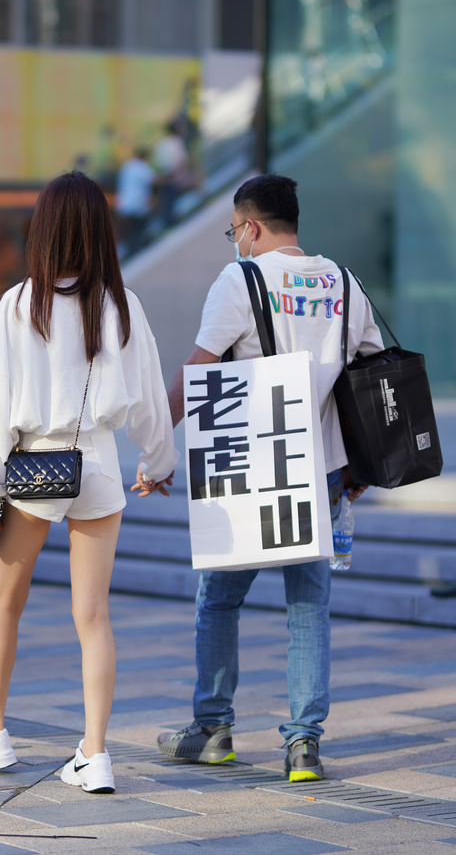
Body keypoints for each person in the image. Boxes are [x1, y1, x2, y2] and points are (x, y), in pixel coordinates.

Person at [0, 172, 177, 794]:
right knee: (93, 616)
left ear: (42, 230)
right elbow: (149, 398)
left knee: (5, 604)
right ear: (100, 229)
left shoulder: (20, 304)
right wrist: (157, 462)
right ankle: (94, 755)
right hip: (97, 464)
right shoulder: (123, 304)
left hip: (33, 469)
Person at [153, 174, 384, 782]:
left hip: (250, 466)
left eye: (234, 230)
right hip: (323, 468)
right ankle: (304, 745)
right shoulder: (343, 282)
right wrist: (360, 463)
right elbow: (369, 372)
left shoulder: (240, 279)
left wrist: (156, 444)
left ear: (250, 227)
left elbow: (198, 368)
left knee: (219, 600)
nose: (236, 241)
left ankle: (212, 729)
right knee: (309, 608)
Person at [115, 148, 155, 257]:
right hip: (137, 204)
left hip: (124, 204)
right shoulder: (142, 167)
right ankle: (136, 247)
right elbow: (152, 180)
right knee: (137, 228)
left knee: (129, 229)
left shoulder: (127, 165)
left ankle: (130, 248)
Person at [153, 121, 190, 228]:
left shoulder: (161, 143)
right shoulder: (176, 141)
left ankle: (168, 218)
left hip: (165, 174)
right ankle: (170, 219)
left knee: (168, 198)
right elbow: (181, 160)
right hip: (175, 174)